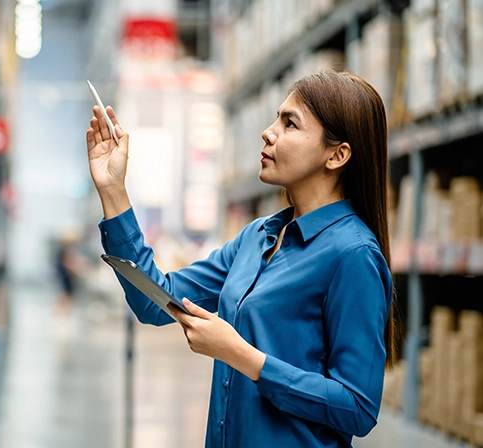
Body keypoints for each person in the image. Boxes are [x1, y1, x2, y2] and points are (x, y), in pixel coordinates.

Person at [85, 70, 394, 448]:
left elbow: (358, 408)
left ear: (337, 155)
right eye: (276, 118)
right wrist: (114, 190)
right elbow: (157, 301)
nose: (268, 132)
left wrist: (242, 356)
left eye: (290, 123)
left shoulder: (353, 256)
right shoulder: (257, 237)